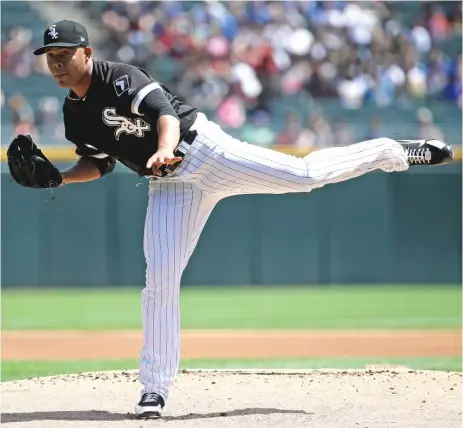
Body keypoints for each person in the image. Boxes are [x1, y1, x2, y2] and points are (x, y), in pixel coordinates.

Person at [32, 20, 453, 418]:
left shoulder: (118, 77)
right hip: (170, 186)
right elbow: (98, 162)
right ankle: (154, 388)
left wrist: (163, 147)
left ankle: (389, 152)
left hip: (204, 151)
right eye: (50, 55)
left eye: (64, 53)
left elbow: (164, 113)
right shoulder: (74, 115)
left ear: (86, 52)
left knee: (303, 176)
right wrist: (62, 178)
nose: (56, 62)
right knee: (160, 277)